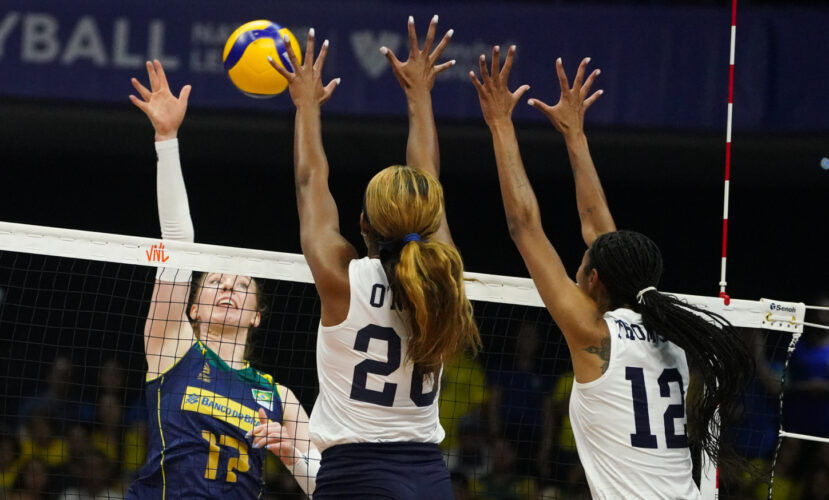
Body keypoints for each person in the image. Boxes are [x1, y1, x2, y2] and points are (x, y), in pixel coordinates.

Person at [470, 47, 753, 498]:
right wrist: (574, 135)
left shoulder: (593, 332)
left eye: (585, 264)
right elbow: (604, 238)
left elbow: (524, 226)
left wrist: (500, 124)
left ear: (594, 279)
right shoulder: (673, 332)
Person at [269, 16, 481, 498]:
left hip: (356, 475)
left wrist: (306, 107)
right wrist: (420, 95)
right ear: (431, 218)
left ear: (361, 224)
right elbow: (428, 177)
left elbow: (310, 183)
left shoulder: (341, 279)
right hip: (429, 476)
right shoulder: (445, 274)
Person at [125, 60, 317, 498]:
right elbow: (177, 241)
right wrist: (167, 139)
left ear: (256, 317)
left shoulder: (279, 397)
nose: (229, 287)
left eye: (242, 285)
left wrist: (294, 457)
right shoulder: (172, 346)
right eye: (215, 282)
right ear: (192, 308)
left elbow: (329, 486)